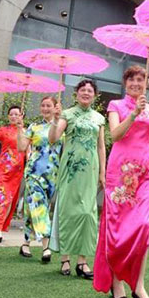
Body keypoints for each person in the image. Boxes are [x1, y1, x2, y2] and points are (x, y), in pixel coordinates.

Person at [93, 66, 149, 298]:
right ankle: (117, 282)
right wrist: (134, 113)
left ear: (147, 84)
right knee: (118, 229)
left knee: (143, 227)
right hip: (120, 175)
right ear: (125, 83)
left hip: (144, 175)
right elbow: (115, 135)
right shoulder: (115, 105)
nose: (136, 83)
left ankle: (139, 285)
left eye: (141, 80)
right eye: (132, 79)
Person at [48, 79, 106, 280]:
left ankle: (82, 261)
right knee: (68, 210)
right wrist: (55, 119)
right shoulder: (67, 114)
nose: (86, 93)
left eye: (90, 90)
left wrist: (103, 172)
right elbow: (53, 138)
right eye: (83, 90)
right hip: (71, 169)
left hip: (91, 170)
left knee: (88, 214)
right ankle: (65, 258)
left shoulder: (99, 118)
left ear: (95, 95)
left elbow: (101, 146)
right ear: (76, 93)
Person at [15, 95, 63, 263]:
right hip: (33, 173)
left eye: (48, 105)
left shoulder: (62, 127)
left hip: (52, 175)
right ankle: (45, 246)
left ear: (56, 107)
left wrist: (58, 119)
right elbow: (21, 147)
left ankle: (25, 243)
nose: (45, 108)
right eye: (43, 105)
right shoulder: (34, 126)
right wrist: (20, 129)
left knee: (34, 207)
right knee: (39, 206)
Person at [0, 105, 27, 244]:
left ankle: (0, 227)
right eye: (11, 114)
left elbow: (29, 151)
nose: (13, 116)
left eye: (16, 114)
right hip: (3, 170)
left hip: (17, 172)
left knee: (10, 200)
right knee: (2, 198)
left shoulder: (26, 132)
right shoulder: (3, 130)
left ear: (21, 116)